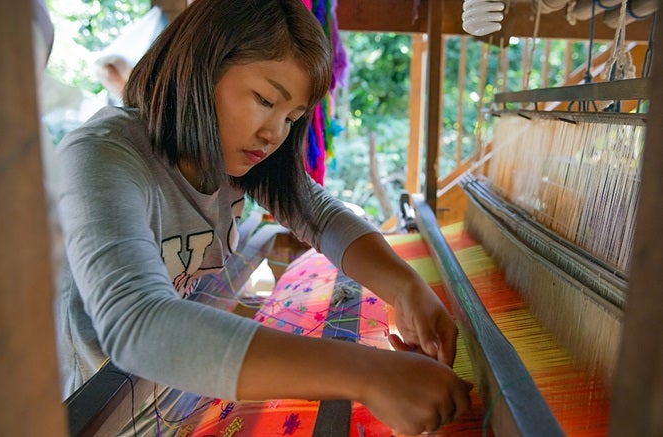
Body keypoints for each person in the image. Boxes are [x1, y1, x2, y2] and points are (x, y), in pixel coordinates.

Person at [54, 0, 472, 434]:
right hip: (90, 411)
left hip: (169, 400)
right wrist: (366, 374)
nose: (274, 133)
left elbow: (322, 215)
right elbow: (137, 325)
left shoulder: (232, 161)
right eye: (264, 99)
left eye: (291, 117)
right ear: (200, 68)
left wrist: (405, 288)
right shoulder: (102, 155)